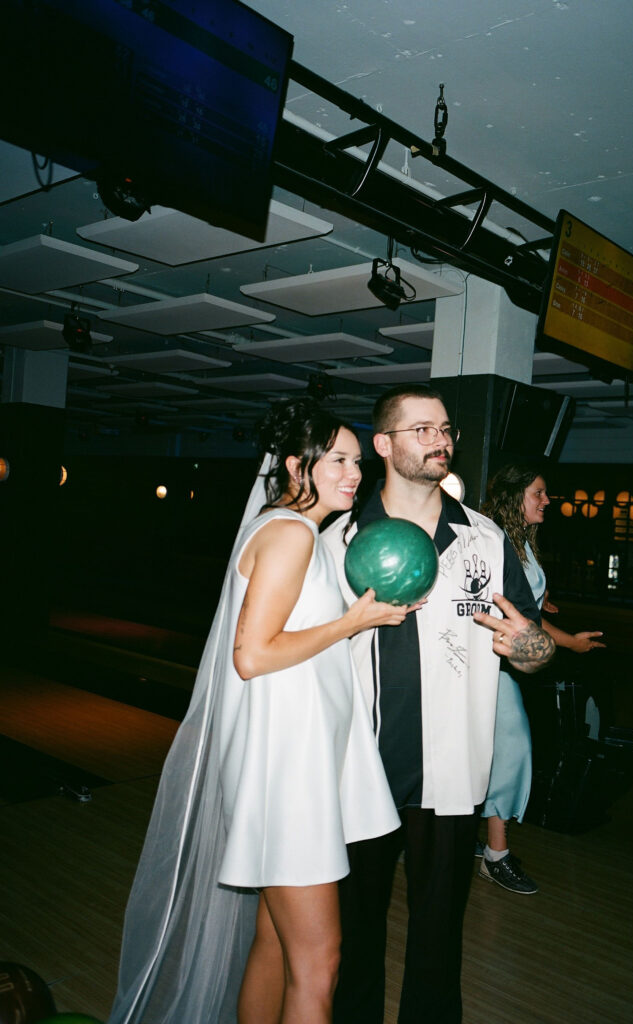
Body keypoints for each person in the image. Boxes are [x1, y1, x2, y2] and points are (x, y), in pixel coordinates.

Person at [108, 399, 410, 1024]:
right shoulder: (291, 534)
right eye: (341, 461)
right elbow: (253, 655)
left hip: (293, 765)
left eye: (357, 461)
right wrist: (352, 622)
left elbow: (290, 642)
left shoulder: (298, 531)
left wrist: (359, 622)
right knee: (320, 962)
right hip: (287, 776)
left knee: (275, 945)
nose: (356, 473)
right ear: (299, 467)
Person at [322, 384, 556, 1024]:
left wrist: (530, 645)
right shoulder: (337, 542)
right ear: (383, 445)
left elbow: (534, 651)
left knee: (438, 936)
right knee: (355, 934)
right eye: (421, 429)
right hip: (359, 771)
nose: (441, 440)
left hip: (453, 773)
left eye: (446, 428)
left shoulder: (483, 540)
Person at [477, 462, 605, 895]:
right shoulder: (493, 542)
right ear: (516, 497)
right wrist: (570, 642)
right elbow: (517, 618)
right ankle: (495, 855)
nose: (547, 501)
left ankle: (477, 838)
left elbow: (529, 599)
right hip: (485, 663)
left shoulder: (523, 541)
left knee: (493, 751)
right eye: (539, 493)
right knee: (511, 748)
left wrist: (542, 598)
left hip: (507, 664)